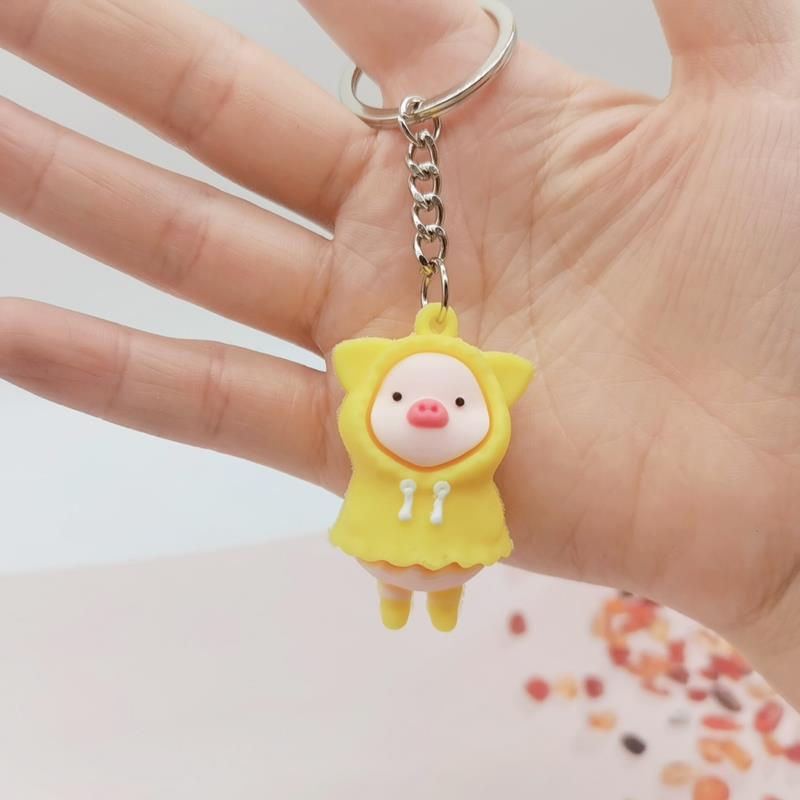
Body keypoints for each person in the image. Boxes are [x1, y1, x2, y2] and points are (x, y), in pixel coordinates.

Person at [0, 0, 797, 707]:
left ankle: (436, 597)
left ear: (494, 399)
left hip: (475, 534)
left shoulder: (476, 464)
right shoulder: (380, 438)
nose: (431, 410)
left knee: (439, 582)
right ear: (368, 393)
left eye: (457, 403)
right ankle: (400, 594)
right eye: (411, 400)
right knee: (393, 571)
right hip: (397, 524)